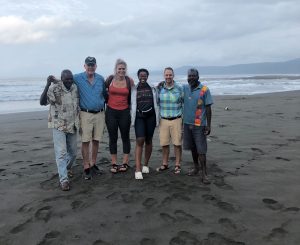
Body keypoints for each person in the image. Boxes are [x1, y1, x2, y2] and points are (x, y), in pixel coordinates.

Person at [40, 70, 79, 191]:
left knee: (73, 153)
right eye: (66, 79)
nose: (69, 81)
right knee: (61, 153)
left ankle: (65, 169)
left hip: (72, 125)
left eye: (70, 79)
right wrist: (47, 84)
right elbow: (42, 102)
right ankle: (64, 180)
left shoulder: (75, 88)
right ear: (62, 79)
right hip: (58, 125)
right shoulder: (54, 88)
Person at [73, 57, 107, 180]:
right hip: (85, 114)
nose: (91, 67)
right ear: (84, 66)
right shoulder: (77, 78)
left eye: (93, 65)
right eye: (89, 65)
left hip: (100, 113)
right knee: (85, 141)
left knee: (96, 140)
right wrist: (53, 79)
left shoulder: (100, 78)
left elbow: (105, 94)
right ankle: (86, 166)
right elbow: (64, 79)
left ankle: (93, 164)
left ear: (96, 66)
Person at [183, 68, 213, 184]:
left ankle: (204, 174)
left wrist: (208, 125)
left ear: (198, 77)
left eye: (193, 76)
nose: (191, 78)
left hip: (199, 125)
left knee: (201, 150)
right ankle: (196, 168)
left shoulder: (204, 89)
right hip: (187, 124)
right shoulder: (185, 88)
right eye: (189, 76)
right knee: (193, 148)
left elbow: (209, 109)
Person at [105, 59, 134, 173]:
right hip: (111, 112)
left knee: (125, 137)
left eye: (123, 68)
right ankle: (114, 163)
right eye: (119, 68)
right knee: (113, 138)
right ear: (116, 69)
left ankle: (125, 163)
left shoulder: (129, 81)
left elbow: (136, 93)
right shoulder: (110, 80)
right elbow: (101, 91)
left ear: (125, 70)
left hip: (124, 112)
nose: (121, 70)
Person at [131, 68, 159, 180]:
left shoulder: (153, 88)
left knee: (148, 140)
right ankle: (138, 168)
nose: (143, 77)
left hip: (151, 116)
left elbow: (158, 100)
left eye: (145, 75)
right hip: (139, 116)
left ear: (147, 76)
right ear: (138, 76)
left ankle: (145, 164)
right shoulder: (133, 89)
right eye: (141, 75)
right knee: (140, 140)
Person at [156, 67, 183, 174]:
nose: (168, 77)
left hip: (176, 119)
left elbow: (184, 103)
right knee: (164, 144)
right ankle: (165, 164)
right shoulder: (160, 89)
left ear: (173, 75)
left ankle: (177, 165)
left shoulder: (179, 88)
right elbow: (156, 102)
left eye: (170, 75)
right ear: (164, 76)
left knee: (177, 144)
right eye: (166, 75)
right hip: (163, 120)